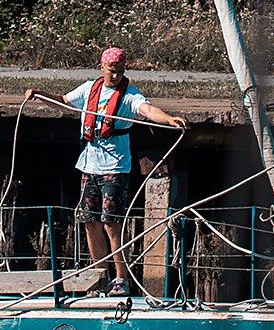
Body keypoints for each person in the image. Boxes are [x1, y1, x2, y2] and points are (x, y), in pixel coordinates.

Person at [23, 47, 185, 298]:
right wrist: (38, 94)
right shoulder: (89, 88)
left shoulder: (129, 96)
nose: (116, 76)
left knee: (112, 225)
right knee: (90, 223)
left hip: (115, 169)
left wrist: (170, 118)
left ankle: (121, 279)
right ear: (102, 68)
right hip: (88, 166)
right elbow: (64, 101)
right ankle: (99, 276)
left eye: (120, 72)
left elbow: (149, 112)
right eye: (112, 71)